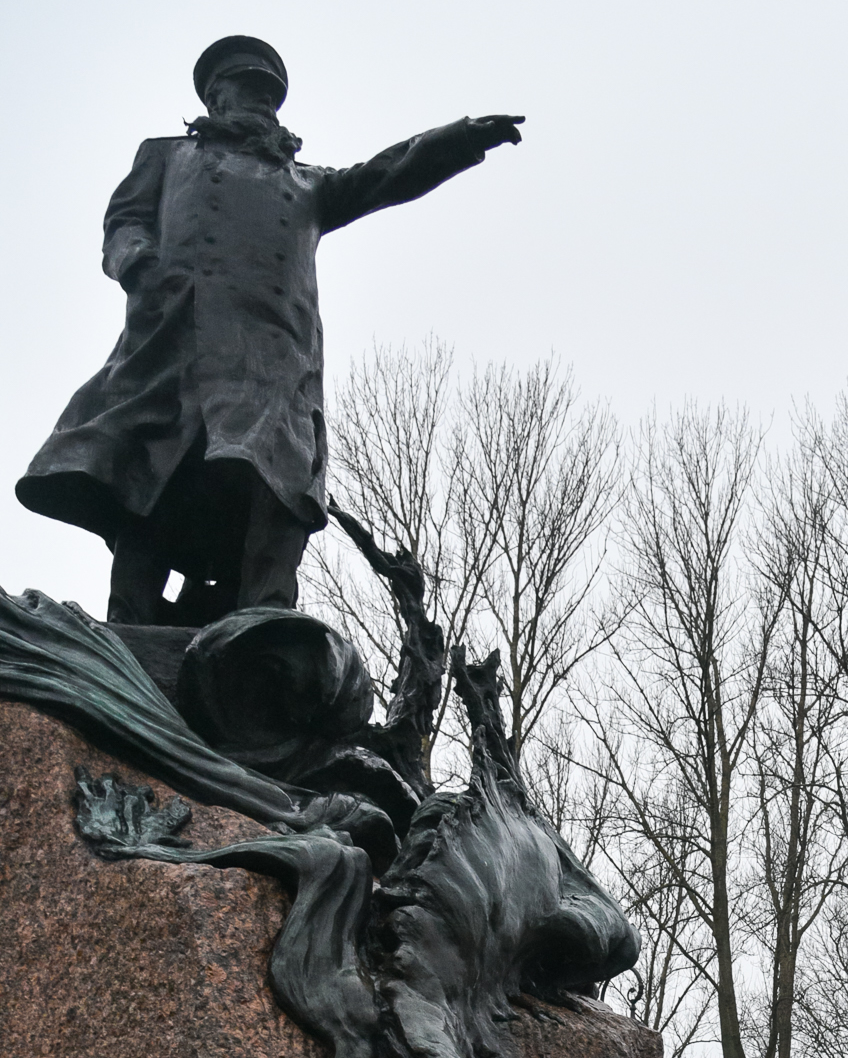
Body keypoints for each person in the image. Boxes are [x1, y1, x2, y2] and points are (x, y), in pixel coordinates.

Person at [16, 37, 523, 623]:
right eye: (249, 88)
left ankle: (267, 622)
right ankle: (128, 626)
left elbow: (386, 174)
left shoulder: (308, 183)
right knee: (151, 471)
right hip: (174, 340)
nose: (262, 102)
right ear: (216, 96)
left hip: (275, 357)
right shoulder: (166, 156)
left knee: (280, 482)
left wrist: (460, 139)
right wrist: (141, 267)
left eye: (270, 94)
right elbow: (124, 221)